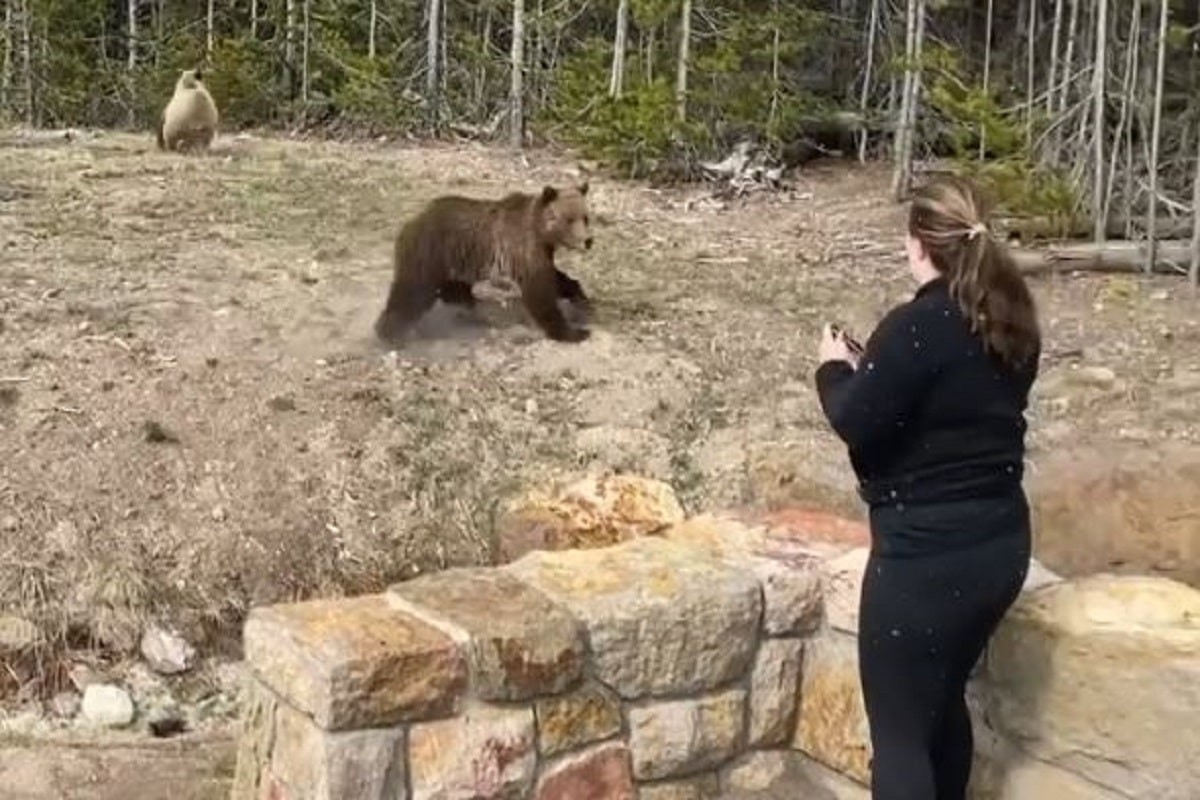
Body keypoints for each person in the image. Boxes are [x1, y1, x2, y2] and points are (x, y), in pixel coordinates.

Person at [813, 174, 1041, 800]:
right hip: (999, 547)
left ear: (918, 244)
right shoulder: (1012, 316)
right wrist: (879, 373)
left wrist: (833, 367)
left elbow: (854, 420)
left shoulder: (918, 326)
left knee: (901, 737)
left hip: (925, 562)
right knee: (940, 706)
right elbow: (957, 407)